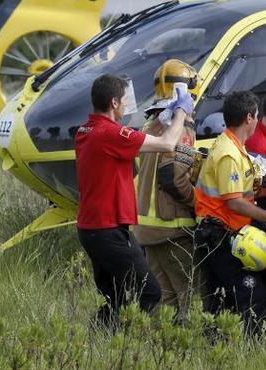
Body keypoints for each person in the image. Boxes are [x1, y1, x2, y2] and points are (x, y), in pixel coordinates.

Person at [74, 73, 193, 328]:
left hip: (94, 228)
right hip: (106, 230)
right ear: (115, 103)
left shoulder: (87, 129)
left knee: (116, 297)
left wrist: (163, 119)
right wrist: (182, 110)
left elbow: (134, 140)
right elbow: (167, 143)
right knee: (150, 292)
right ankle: (136, 340)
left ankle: (104, 340)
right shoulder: (110, 134)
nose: (128, 105)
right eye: (126, 100)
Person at [194, 90, 266, 334]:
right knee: (254, 296)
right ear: (249, 118)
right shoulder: (229, 154)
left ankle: (216, 346)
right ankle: (255, 348)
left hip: (223, 231)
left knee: (220, 301)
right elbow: (234, 202)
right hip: (220, 234)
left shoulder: (233, 146)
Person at [132, 59, 200, 322]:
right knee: (189, 295)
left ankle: (160, 349)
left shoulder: (150, 125)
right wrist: (198, 204)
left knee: (165, 297)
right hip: (172, 227)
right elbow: (173, 177)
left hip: (146, 229)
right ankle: (185, 352)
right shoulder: (180, 127)